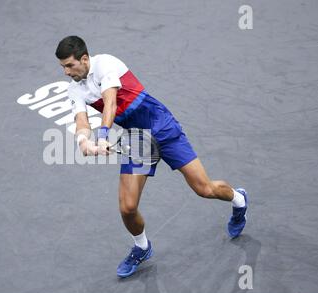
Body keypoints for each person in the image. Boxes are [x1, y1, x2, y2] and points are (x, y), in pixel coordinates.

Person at [55, 35, 248, 278]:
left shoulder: (106, 64)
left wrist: (102, 136)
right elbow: (81, 120)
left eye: (69, 65)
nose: (65, 72)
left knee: (205, 189)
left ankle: (238, 200)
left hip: (162, 126)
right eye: (62, 67)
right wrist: (84, 141)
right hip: (137, 139)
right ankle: (142, 247)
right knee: (127, 207)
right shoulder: (75, 89)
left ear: (84, 59)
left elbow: (111, 103)